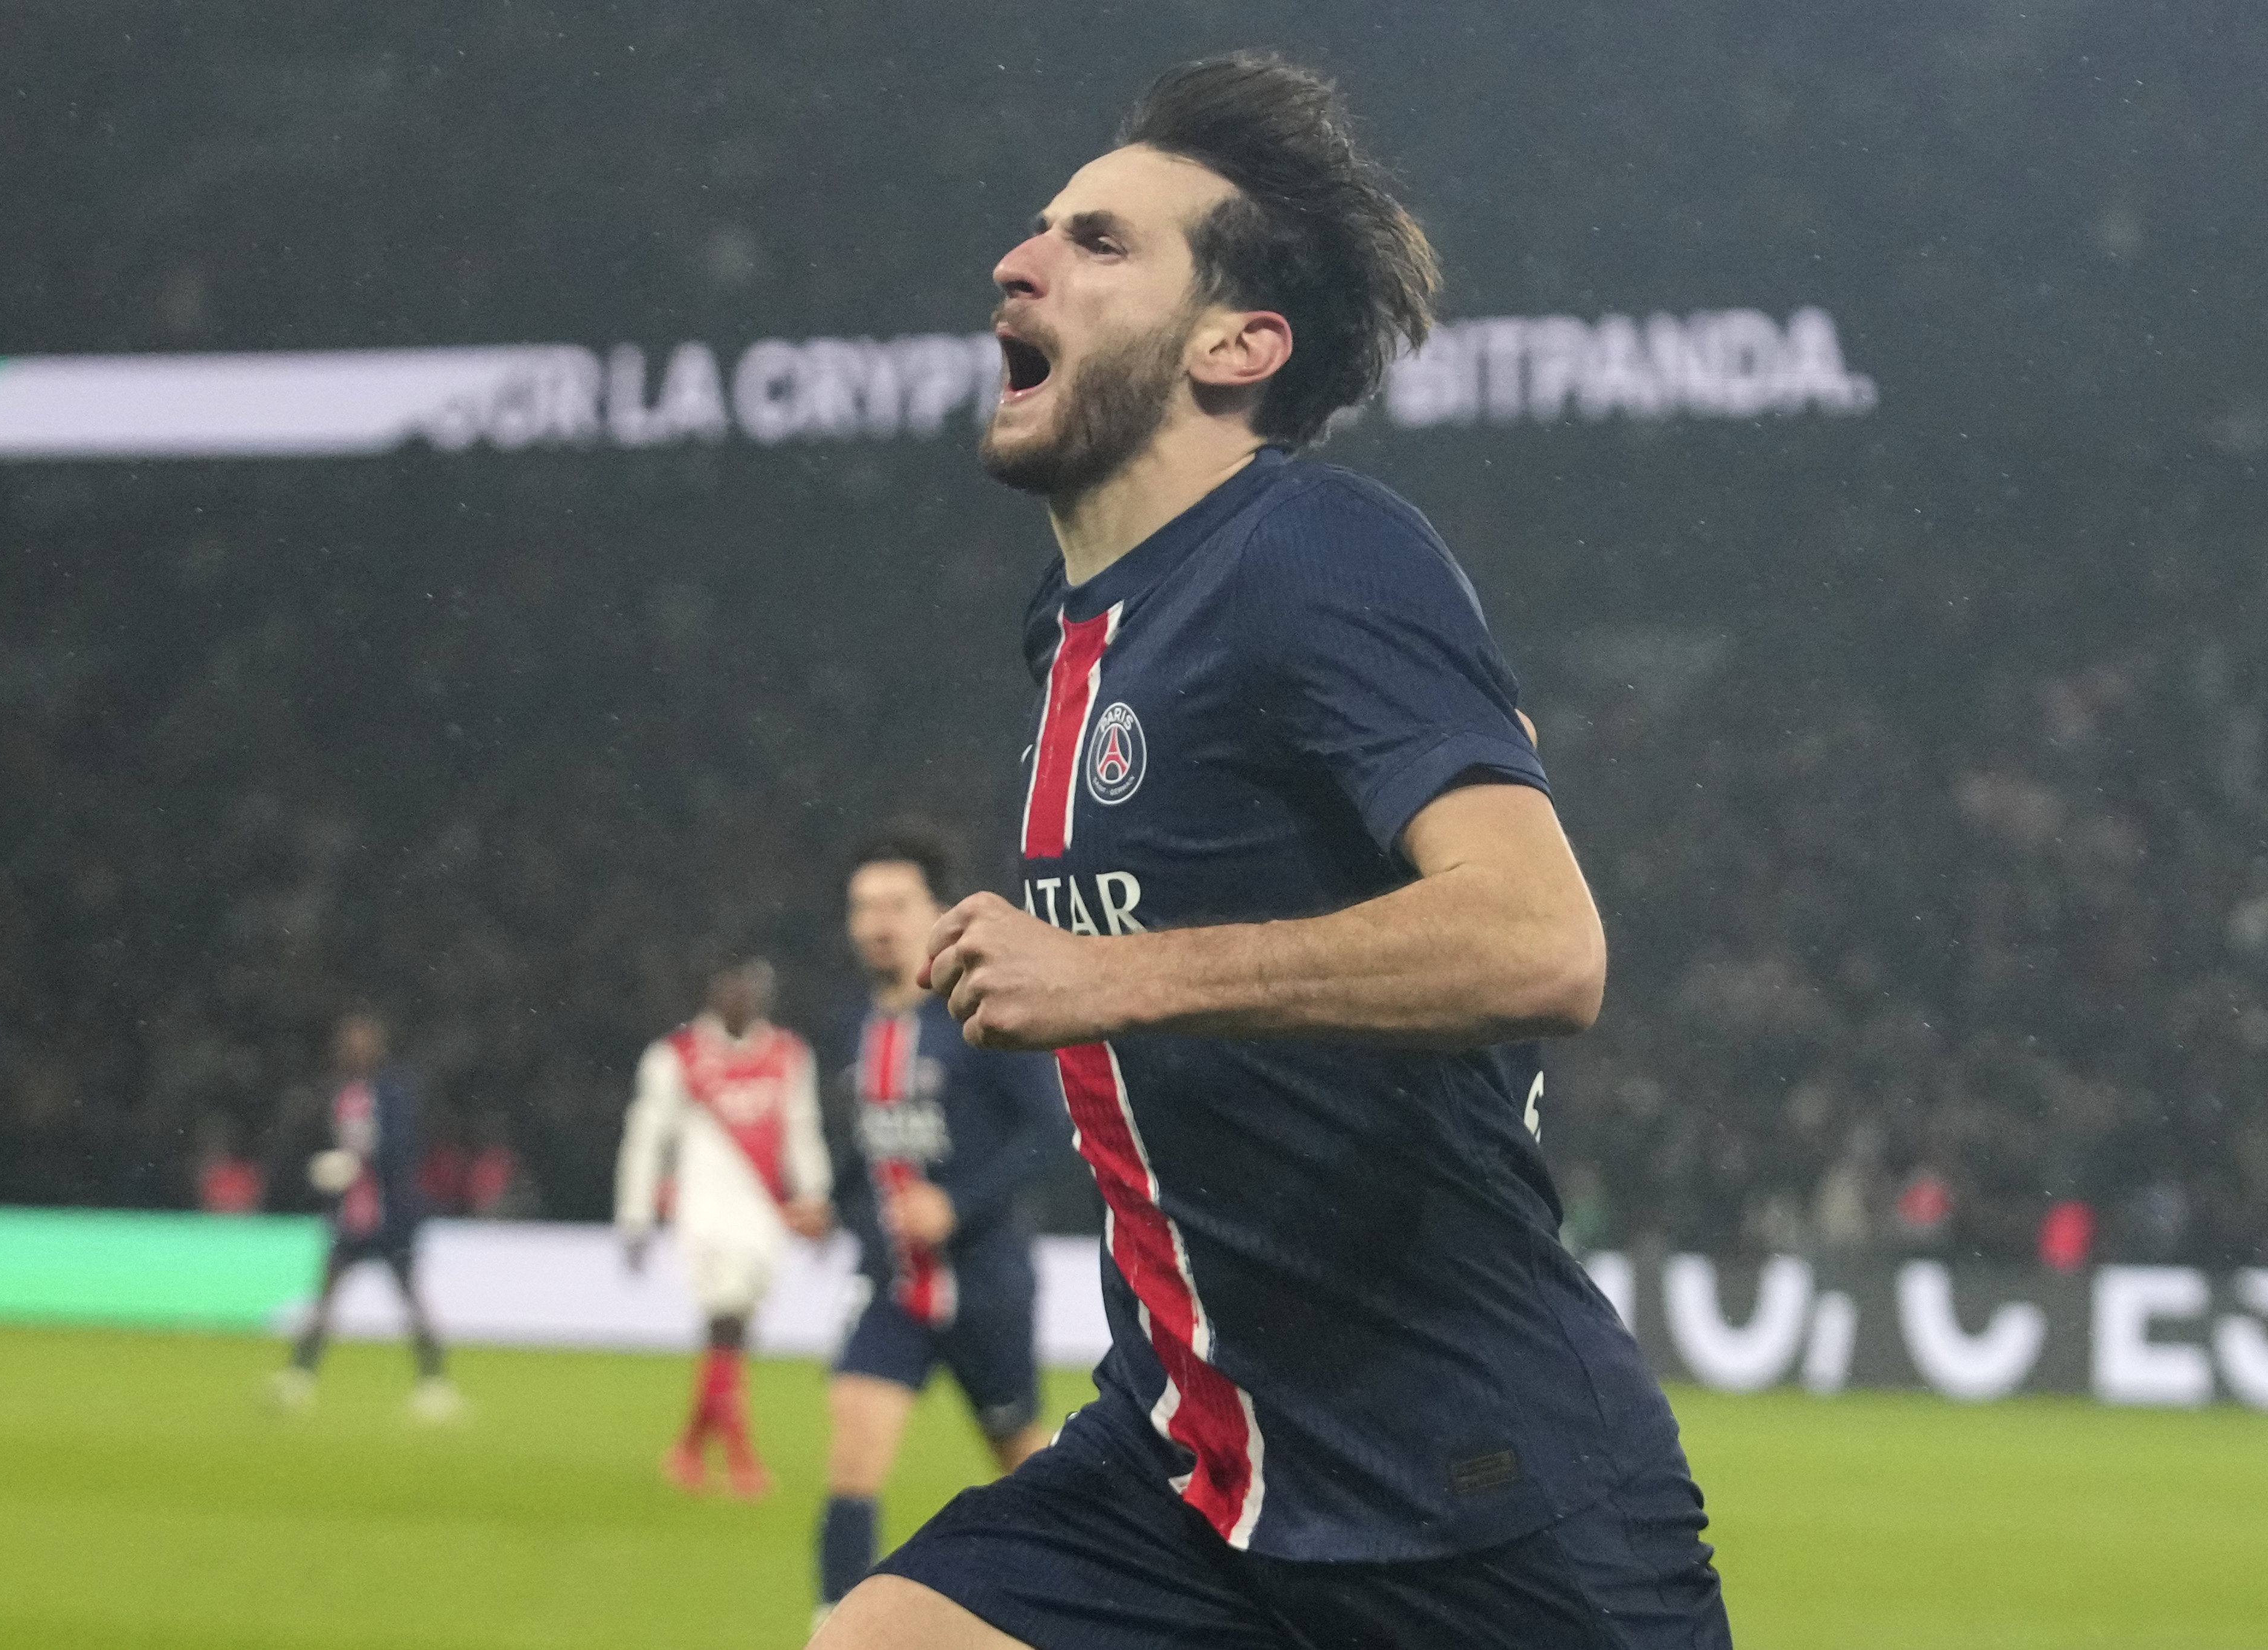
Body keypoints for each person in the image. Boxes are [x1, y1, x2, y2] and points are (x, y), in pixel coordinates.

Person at [814, 53, 1729, 1650]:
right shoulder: (1080, 628)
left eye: (1103, 243)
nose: (1018, 262)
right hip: (1187, 1465)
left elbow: (1539, 941)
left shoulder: (1315, 548)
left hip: (1469, 1492)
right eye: (1039, 231)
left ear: (1235, 344)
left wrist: (1109, 973)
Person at [814, 829, 1072, 1628]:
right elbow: (870, 1148)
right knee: (853, 1452)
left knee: (1024, 1462)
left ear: (936, 913)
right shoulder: (852, 1024)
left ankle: (1076, 1609)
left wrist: (955, 1205)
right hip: (892, 1283)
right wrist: (828, 1201)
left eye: (896, 903)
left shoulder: (980, 1012)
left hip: (984, 1284)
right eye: (864, 906)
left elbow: (1050, 1130)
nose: (877, 921)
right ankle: (832, 1624)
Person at [614, 957, 832, 1495]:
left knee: (735, 1333)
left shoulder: (788, 1054)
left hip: (764, 1215)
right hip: (705, 1212)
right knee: (725, 1323)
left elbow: (802, 1132)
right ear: (713, 992)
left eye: (752, 988)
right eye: (732, 987)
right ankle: (740, 1457)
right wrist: (636, 1215)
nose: (743, 997)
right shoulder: (676, 1057)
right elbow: (647, 1140)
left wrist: (816, 1199)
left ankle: (688, 1451)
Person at [269, 1010, 460, 1421]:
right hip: (349, 1219)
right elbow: (315, 1143)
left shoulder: (393, 1093)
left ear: (377, 1047)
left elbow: (404, 1149)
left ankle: (435, 1384)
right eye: (349, 1042)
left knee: (412, 1302)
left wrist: (357, 1163)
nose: (354, 1050)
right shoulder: (334, 1094)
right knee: (324, 1300)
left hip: (391, 1218)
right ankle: (299, 1379)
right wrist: (322, 1170)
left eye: (362, 1042)